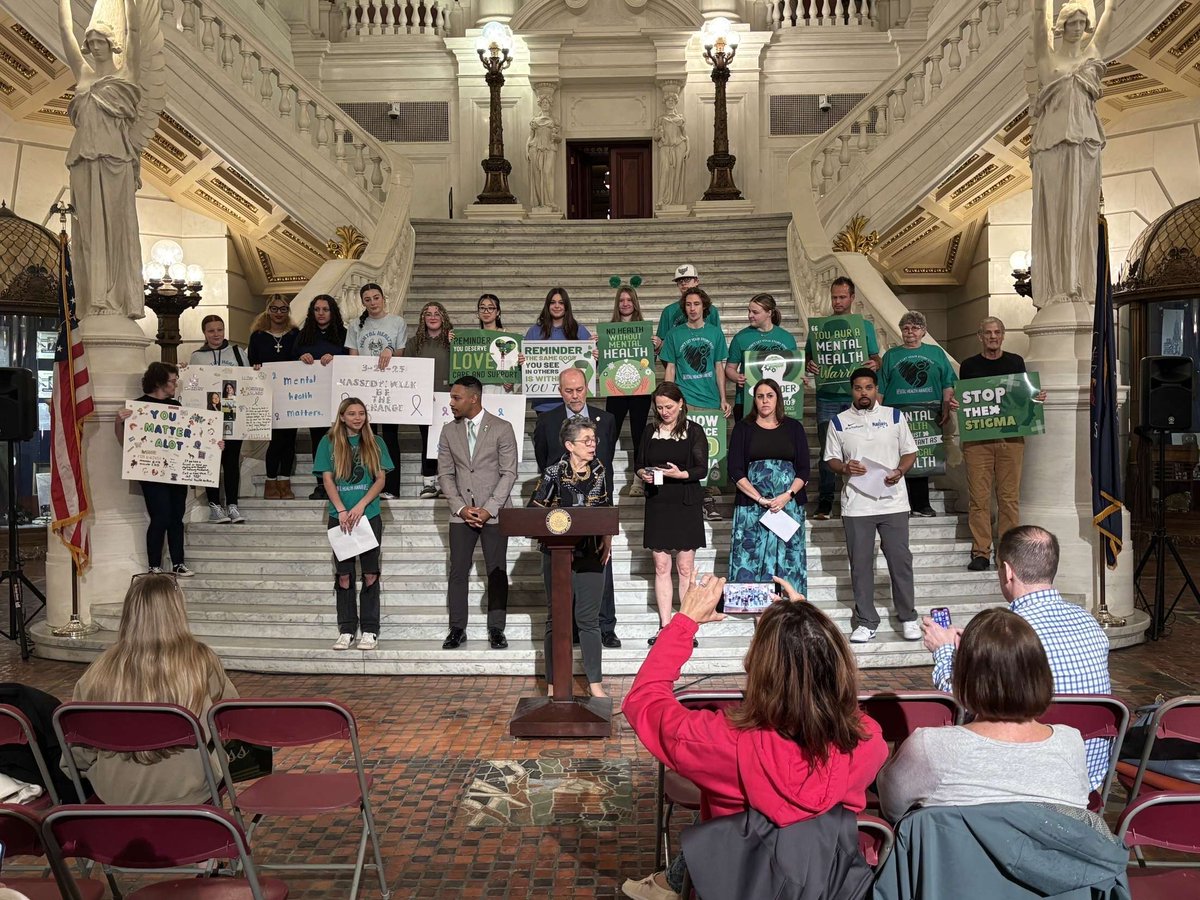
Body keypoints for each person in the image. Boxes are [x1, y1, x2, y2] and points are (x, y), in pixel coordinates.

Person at [620, 574, 888, 900]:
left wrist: (684, 622)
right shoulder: (868, 742)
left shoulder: (720, 743)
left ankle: (668, 881)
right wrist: (806, 626)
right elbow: (831, 697)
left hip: (738, 882)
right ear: (838, 667)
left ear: (757, 669)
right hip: (827, 883)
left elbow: (644, 701)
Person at [921, 525, 1112, 790]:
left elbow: (962, 702)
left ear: (1008, 571)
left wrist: (943, 652)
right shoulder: (1090, 623)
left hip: (1021, 778)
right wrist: (977, 650)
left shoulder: (1007, 631)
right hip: (1086, 782)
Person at [878, 607, 1091, 823]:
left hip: (956, 856)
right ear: (1040, 674)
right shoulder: (1071, 743)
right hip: (1047, 857)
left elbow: (892, 808)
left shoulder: (930, 746)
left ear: (965, 675)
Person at [68, 573, 238, 804]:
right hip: (190, 789)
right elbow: (229, 723)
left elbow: (77, 753)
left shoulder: (99, 670)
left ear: (129, 612)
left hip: (116, 794)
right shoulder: (202, 661)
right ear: (177, 612)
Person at [57, 0, 159, 319]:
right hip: (84, 160)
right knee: (87, 230)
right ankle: (93, 299)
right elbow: (65, 32)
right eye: (92, 42)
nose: (96, 46)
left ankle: (117, 299)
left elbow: (136, 31)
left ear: (111, 43)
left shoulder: (127, 72)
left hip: (117, 162)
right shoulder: (83, 75)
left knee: (116, 230)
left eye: (102, 41)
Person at [1030, 0, 1117, 309]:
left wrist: (1109, 8)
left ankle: (1079, 284)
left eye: (1082, 23)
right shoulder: (1047, 59)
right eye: (1072, 23)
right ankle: (1056, 286)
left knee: (1081, 213)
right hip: (1052, 142)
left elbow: (1106, 25)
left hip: (1085, 142)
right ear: (1062, 26)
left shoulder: (1091, 56)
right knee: (1055, 212)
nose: (1078, 29)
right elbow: (1039, 24)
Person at [824, 368, 919, 644]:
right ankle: (866, 621)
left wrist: (900, 471)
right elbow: (831, 459)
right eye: (857, 388)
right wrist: (844, 467)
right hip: (857, 506)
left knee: (901, 561)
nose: (863, 393)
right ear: (851, 390)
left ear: (876, 389)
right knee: (861, 565)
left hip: (894, 502)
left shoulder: (894, 416)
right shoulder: (839, 422)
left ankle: (908, 617)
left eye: (868, 387)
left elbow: (910, 451)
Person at [534, 368, 621, 649]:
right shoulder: (547, 422)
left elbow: (605, 466)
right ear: (560, 391)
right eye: (568, 390)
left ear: (588, 388)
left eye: (579, 389)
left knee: (601, 566)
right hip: (561, 515)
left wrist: (607, 524)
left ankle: (606, 626)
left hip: (596, 508)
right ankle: (569, 628)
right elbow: (543, 461)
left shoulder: (606, 420)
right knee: (565, 573)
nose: (574, 395)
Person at [530, 418, 611, 698]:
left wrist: (607, 538)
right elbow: (534, 511)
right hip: (557, 554)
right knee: (557, 619)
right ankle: (554, 683)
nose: (592, 445)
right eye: (586, 440)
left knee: (589, 620)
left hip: (590, 552)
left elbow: (605, 510)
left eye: (594, 440)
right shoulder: (553, 472)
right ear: (569, 445)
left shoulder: (600, 470)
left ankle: (595, 684)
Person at [959, 317, 1047, 570]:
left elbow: (1024, 398)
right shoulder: (969, 366)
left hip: (1011, 439)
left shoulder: (1015, 362)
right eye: (988, 333)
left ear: (1003, 335)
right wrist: (956, 403)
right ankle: (981, 552)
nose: (993, 337)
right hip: (978, 441)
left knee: (1009, 498)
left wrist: (1037, 398)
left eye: (997, 332)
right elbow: (967, 400)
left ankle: (1007, 554)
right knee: (979, 499)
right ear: (980, 336)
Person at [437, 376, 518, 651]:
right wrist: (460, 507)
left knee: (496, 571)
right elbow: (446, 474)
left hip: (494, 513)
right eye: (451, 397)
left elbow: (509, 473)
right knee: (458, 570)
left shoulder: (502, 428)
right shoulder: (448, 431)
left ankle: (496, 629)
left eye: (456, 398)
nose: (451, 403)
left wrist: (488, 508)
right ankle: (457, 628)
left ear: (474, 398)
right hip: (461, 514)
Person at [314, 397, 393, 652]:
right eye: (352, 414)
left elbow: (380, 480)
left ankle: (370, 629)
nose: (357, 418)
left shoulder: (376, 442)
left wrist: (360, 506)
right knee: (345, 575)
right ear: (342, 416)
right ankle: (347, 629)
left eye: (361, 413)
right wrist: (342, 509)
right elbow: (327, 480)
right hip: (341, 517)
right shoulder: (328, 443)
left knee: (370, 573)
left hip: (368, 516)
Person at [635, 383, 708, 646]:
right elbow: (639, 463)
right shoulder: (649, 431)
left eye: (669, 406)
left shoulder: (694, 431)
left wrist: (681, 474)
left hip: (685, 501)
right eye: (660, 407)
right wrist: (643, 473)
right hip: (658, 502)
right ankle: (665, 626)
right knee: (661, 565)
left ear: (680, 404)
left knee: (685, 567)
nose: (664, 411)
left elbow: (702, 468)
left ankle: (685, 626)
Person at [805, 277, 881, 521]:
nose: (837, 302)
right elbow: (808, 357)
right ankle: (825, 502)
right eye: (834, 297)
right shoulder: (821, 326)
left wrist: (875, 363)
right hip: (826, 396)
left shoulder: (864, 326)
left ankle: (864, 497)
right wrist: (810, 364)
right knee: (828, 452)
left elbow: (875, 358)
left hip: (856, 398)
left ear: (852, 298)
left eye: (842, 297)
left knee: (863, 446)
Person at [727, 379, 809, 593]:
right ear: (754, 399)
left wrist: (787, 495)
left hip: (787, 506)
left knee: (788, 558)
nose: (765, 400)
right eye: (760, 396)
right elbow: (735, 470)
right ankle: (756, 611)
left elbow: (804, 470)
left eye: (770, 395)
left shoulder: (794, 428)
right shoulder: (743, 428)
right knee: (751, 557)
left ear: (778, 398)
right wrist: (760, 499)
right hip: (752, 507)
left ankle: (789, 609)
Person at [113, 362, 194, 576]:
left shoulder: (177, 406)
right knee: (160, 516)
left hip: (176, 471)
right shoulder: (137, 408)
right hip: (151, 472)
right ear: (159, 382)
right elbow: (125, 443)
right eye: (172, 381)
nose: (175, 385)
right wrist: (118, 422)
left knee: (177, 516)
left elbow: (191, 438)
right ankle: (154, 565)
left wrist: (213, 444)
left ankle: (178, 562)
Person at [878, 311, 957, 518]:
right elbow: (881, 388)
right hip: (897, 412)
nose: (910, 332)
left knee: (921, 457)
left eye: (914, 328)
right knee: (899, 457)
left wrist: (946, 406)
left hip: (927, 412)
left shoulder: (936, 353)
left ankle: (922, 504)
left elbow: (948, 382)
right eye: (905, 328)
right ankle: (901, 503)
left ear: (923, 331)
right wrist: (876, 414)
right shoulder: (891, 356)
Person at [660, 287, 730, 522]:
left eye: (696, 304)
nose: (692, 309)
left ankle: (708, 500)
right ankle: (685, 499)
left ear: (704, 307)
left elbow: (719, 366)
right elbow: (670, 367)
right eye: (688, 304)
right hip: (684, 402)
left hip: (710, 401)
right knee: (682, 452)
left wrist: (723, 398)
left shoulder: (715, 334)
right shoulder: (674, 335)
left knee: (708, 453)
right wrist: (668, 400)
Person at [345, 282, 406, 498]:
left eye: (376, 297)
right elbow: (353, 357)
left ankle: (391, 487)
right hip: (364, 387)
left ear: (383, 298)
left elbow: (400, 353)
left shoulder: (397, 322)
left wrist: (390, 350)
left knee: (390, 436)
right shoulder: (355, 325)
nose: (373, 302)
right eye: (368, 299)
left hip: (389, 386)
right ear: (363, 302)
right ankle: (365, 485)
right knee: (366, 437)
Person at [189, 314, 248, 525]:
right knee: (211, 461)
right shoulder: (197, 356)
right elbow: (193, 386)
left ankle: (232, 504)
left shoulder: (237, 352)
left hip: (233, 414)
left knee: (232, 462)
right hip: (208, 416)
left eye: (219, 329)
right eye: (211, 330)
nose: (216, 334)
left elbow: (248, 380)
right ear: (204, 333)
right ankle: (215, 505)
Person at [293, 292, 348, 500]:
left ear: (332, 312)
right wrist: (301, 357)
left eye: (325, 309)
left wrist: (336, 357)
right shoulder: (303, 335)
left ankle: (342, 483)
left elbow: (353, 358)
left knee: (341, 441)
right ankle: (322, 485)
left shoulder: (343, 334)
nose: (321, 313)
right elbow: (290, 361)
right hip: (313, 400)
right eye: (317, 309)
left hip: (338, 398)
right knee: (319, 442)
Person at [248, 296, 299, 500]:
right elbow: (252, 361)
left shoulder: (295, 334)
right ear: (268, 310)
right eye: (275, 308)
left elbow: (300, 358)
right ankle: (271, 482)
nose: (279, 313)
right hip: (268, 395)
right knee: (276, 440)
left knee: (290, 440)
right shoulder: (258, 336)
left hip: (291, 394)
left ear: (288, 311)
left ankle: (285, 481)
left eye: (283, 309)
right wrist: (256, 367)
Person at [603, 285, 652, 497]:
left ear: (635, 303)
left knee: (639, 434)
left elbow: (649, 362)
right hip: (615, 389)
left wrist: (656, 346)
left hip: (640, 389)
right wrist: (596, 351)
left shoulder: (644, 329)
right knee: (609, 434)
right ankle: (602, 478)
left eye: (629, 300)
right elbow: (604, 367)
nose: (625, 303)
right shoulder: (608, 329)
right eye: (622, 300)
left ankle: (638, 480)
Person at [404, 302, 454, 500]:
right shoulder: (414, 343)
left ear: (444, 317)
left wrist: (455, 345)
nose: (432, 317)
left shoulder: (453, 341)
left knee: (449, 442)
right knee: (428, 440)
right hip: (424, 399)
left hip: (449, 400)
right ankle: (428, 483)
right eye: (428, 314)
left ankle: (446, 484)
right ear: (422, 318)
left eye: (437, 313)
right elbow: (408, 370)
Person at [724, 293, 797, 421]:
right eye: (749, 311)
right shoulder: (740, 337)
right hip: (746, 401)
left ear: (769, 313)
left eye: (755, 312)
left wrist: (800, 378)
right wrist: (737, 377)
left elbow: (794, 369)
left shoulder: (787, 338)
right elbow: (729, 368)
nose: (750, 315)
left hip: (778, 402)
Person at [523, 287, 591, 415]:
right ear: (547, 305)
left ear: (566, 306)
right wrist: (521, 361)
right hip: (544, 404)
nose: (557, 306)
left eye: (561, 302)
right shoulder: (534, 331)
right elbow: (524, 366)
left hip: (572, 403)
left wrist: (594, 356)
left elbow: (590, 367)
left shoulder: (579, 330)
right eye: (553, 302)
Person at [655, 264, 721, 349]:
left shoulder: (712, 310)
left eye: (687, 279)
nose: (683, 283)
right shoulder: (669, 311)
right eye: (679, 281)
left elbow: (718, 342)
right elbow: (663, 345)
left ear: (697, 281)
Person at [476, 293, 519, 395]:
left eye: (491, 308)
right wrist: (453, 340)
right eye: (482, 308)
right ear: (478, 312)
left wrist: (513, 381)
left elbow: (518, 365)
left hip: (502, 391)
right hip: (479, 391)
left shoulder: (509, 336)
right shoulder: (472, 338)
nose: (486, 311)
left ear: (498, 312)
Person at [653, 88, 689, 209]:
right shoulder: (660, 119)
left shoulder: (680, 119)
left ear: (676, 102)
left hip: (679, 147)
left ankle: (675, 202)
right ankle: (661, 199)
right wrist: (660, 133)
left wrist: (688, 149)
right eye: (668, 100)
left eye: (673, 100)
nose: (670, 102)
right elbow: (655, 137)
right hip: (665, 148)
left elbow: (685, 136)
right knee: (665, 172)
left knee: (677, 174)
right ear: (665, 102)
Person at [526, 93, 561, 209]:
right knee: (537, 175)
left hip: (550, 148)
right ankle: (540, 202)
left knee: (547, 173)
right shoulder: (534, 121)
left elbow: (559, 138)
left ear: (550, 105)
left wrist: (556, 138)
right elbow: (530, 137)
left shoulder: (554, 120)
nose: (545, 105)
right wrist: (526, 150)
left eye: (547, 103)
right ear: (540, 104)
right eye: (543, 103)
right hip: (535, 148)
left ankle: (549, 202)